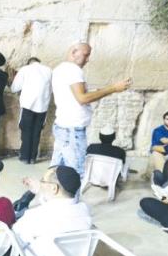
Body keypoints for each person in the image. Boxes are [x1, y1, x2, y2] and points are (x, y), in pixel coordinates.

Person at [50, 42, 131, 176]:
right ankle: (72, 197)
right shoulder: (74, 70)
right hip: (73, 130)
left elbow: (76, 95)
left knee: (56, 169)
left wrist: (103, 90)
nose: (88, 59)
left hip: (63, 126)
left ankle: (50, 195)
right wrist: (114, 88)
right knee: (76, 174)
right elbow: (82, 98)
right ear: (73, 52)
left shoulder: (60, 68)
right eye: (86, 55)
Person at [13, 166, 92, 254]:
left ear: (54, 188)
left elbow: (15, 231)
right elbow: (57, 208)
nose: (40, 183)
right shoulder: (85, 209)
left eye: (42, 180)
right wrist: (41, 189)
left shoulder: (35, 216)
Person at [10, 57, 52, 164]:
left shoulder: (25, 69)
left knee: (26, 131)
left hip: (28, 105)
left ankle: (25, 157)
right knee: (36, 132)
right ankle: (33, 158)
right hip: (43, 106)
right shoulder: (49, 70)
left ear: (29, 62)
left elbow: (15, 87)